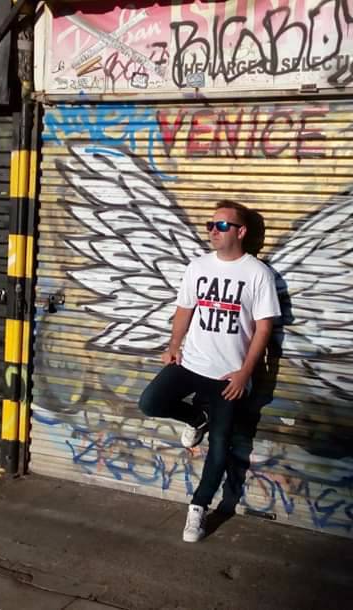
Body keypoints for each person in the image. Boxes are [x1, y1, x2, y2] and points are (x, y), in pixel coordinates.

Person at [138, 200, 280, 543]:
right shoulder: (198, 266)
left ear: (241, 232)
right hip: (191, 363)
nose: (213, 232)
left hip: (227, 376)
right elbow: (185, 309)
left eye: (221, 226)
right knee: (150, 402)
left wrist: (245, 373)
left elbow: (263, 329)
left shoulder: (257, 274)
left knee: (219, 446)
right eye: (210, 225)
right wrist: (174, 344)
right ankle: (195, 419)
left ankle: (198, 508)